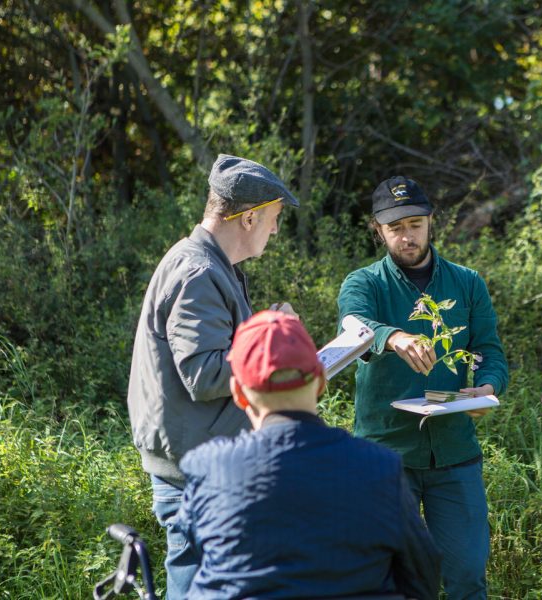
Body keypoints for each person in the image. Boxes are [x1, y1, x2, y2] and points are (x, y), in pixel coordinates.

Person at [127, 154, 300, 598]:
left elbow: (219, 348)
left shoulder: (212, 265)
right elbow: (203, 374)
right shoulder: (199, 272)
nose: (276, 229)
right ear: (249, 218)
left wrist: (264, 324)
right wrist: (273, 343)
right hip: (194, 477)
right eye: (274, 218)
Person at [177, 310, 441, 599]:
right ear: (320, 383)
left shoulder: (208, 468)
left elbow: (198, 561)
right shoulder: (380, 467)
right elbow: (422, 578)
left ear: (239, 393)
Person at [337, 176, 509, 600]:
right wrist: (393, 337)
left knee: (468, 573)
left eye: (415, 223)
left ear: (432, 222)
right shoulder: (364, 283)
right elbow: (355, 324)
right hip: (386, 454)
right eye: (395, 228)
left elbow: (489, 349)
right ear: (378, 230)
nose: (406, 235)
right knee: (392, 579)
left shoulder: (466, 284)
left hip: (454, 453)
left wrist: (486, 387)